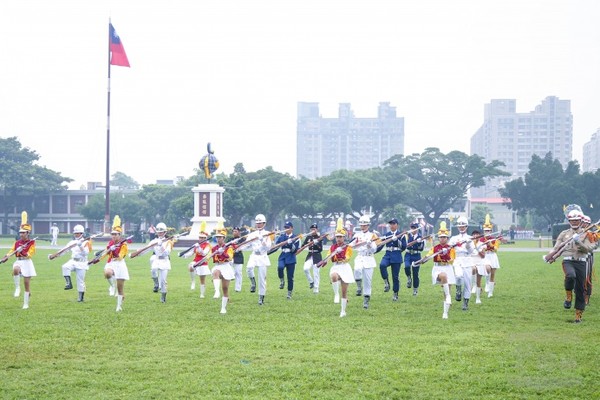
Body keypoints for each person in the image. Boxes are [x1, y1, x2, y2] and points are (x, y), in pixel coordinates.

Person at [544, 209, 595, 323]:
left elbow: (588, 249)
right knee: (570, 276)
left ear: (580, 221)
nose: (574, 222)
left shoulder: (587, 234)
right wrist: (550, 255)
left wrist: (578, 241)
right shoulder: (564, 233)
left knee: (581, 289)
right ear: (569, 221)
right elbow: (557, 246)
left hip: (581, 261)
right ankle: (568, 296)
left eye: (576, 220)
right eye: (572, 220)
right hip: (568, 261)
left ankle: (578, 314)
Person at [1, 212, 36, 309]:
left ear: (28, 233)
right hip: (18, 261)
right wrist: (7, 256)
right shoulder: (17, 242)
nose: (21, 234)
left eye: (23, 232)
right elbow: (12, 250)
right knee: (15, 270)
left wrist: (24, 252)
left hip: (27, 262)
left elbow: (31, 253)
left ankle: (26, 303)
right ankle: (17, 288)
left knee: (26, 284)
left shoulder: (31, 243)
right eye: (20, 232)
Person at [422, 222, 456, 319]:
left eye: (444, 237)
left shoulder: (451, 248)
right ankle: (449, 296)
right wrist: (423, 260)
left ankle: (445, 313)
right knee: (443, 276)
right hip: (438, 268)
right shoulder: (435, 248)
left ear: (447, 238)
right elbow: (429, 255)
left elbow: (452, 260)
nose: (442, 239)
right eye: (441, 237)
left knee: (447, 289)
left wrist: (447, 255)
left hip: (447, 267)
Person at [102, 216, 129, 312]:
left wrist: (116, 251)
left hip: (120, 263)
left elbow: (121, 256)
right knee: (107, 273)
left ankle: (118, 306)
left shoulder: (124, 244)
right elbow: (105, 252)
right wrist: (106, 251)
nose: (114, 236)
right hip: (111, 262)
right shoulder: (110, 243)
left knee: (120, 288)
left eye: (116, 234)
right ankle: (112, 286)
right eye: (112, 234)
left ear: (119, 235)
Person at [245, 214, 273, 305]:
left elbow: (268, 247)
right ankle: (253, 283)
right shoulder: (252, 234)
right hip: (254, 255)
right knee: (249, 268)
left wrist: (262, 240)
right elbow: (246, 244)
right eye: (257, 223)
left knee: (262, 279)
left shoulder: (268, 234)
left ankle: (261, 298)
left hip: (262, 257)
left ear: (264, 223)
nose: (258, 225)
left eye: (260, 223)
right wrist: (237, 248)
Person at [327, 226, 355, 317]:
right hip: (336, 266)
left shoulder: (348, 247)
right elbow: (329, 257)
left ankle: (343, 311)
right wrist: (334, 253)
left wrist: (342, 255)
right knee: (334, 276)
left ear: (344, 237)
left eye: (340, 237)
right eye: (337, 237)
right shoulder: (332, 247)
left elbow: (347, 257)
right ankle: (336, 294)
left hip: (344, 267)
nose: (338, 239)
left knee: (344, 292)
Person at [352, 215, 379, 309]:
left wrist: (369, 245)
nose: (363, 227)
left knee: (368, 281)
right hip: (360, 256)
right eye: (362, 225)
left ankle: (366, 301)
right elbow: (351, 245)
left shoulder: (373, 236)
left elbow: (374, 249)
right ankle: (359, 287)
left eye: (365, 225)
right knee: (357, 269)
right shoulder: (357, 235)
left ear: (368, 225)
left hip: (369, 258)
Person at [448, 216, 475, 311]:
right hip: (457, 260)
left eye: (463, 226)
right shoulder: (453, 238)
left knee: (468, 283)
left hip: (467, 260)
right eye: (460, 226)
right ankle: (458, 290)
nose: (461, 227)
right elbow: (449, 248)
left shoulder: (470, 238)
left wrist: (468, 244)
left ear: (466, 226)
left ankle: (465, 303)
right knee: (458, 276)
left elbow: (472, 252)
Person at [60, 224, 91, 302]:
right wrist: (55, 255)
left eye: (78, 233)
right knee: (65, 267)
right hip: (73, 261)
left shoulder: (86, 242)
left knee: (80, 281)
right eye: (75, 233)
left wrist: (80, 245)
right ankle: (68, 283)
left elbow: (85, 253)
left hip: (82, 262)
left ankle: (81, 298)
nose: (76, 234)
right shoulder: (72, 242)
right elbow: (64, 250)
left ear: (82, 234)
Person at [378, 218, 407, 301]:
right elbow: (381, 245)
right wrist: (373, 250)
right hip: (388, 254)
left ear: (397, 225)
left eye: (393, 224)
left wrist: (397, 240)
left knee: (395, 276)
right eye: (390, 224)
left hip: (396, 256)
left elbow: (404, 247)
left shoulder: (401, 234)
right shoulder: (386, 234)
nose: (392, 225)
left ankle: (395, 294)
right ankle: (386, 282)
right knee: (382, 265)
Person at [211, 228, 236, 314]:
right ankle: (216, 291)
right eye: (217, 237)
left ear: (224, 238)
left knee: (225, 288)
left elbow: (230, 258)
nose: (218, 239)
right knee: (215, 272)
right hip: (218, 266)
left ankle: (223, 308)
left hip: (226, 266)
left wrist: (223, 253)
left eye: (220, 237)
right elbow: (213, 259)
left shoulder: (229, 247)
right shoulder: (214, 248)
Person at [150, 222, 175, 303]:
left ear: (165, 232)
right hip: (156, 259)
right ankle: (156, 284)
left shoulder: (169, 242)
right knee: (153, 270)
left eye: (161, 232)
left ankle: (163, 296)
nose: (160, 233)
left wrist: (161, 245)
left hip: (164, 260)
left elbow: (166, 253)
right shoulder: (154, 241)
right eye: (158, 232)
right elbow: (146, 249)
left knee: (163, 281)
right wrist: (137, 253)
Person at [274, 221, 300, 299]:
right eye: (285, 227)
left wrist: (290, 243)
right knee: (280, 267)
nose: (286, 229)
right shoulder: (282, 237)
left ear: (292, 228)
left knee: (290, 277)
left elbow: (294, 250)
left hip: (291, 257)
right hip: (283, 255)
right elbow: (276, 245)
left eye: (288, 227)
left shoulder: (296, 237)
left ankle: (289, 293)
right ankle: (282, 280)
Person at [184, 230, 212, 298]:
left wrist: (199, 247)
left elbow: (204, 253)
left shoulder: (208, 245)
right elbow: (192, 253)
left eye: (203, 238)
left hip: (203, 262)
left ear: (205, 238)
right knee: (190, 267)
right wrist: (185, 255)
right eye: (200, 237)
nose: (201, 239)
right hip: (195, 260)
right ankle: (193, 281)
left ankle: (202, 294)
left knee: (202, 280)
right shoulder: (197, 245)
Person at [481, 219, 501, 298]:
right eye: (485, 231)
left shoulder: (494, 239)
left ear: (491, 231)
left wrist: (490, 244)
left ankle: (490, 292)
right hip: (485, 256)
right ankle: (486, 283)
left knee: (492, 275)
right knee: (487, 269)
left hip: (492, 256)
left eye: (488, 231)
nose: (487, 232)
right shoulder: (481, 239)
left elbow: (496, 249)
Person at [404, 221, 425, 296]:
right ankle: (409, 278)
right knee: (406, 267)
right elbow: (404, 245)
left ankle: (415, 290)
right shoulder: (407, 236)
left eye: (414, 228)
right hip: (408, 254)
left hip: (416, 255)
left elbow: (421, 248)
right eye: (412, 227)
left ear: (417, 228)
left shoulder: (421, 237)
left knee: (415, 273)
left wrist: (419, 242)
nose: (413, 229)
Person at [301, 223, 323, 294]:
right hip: (310, 255)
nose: (313, 230)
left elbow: (320, 249)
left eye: (314, 229)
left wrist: (316, 243)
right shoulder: (308, 237)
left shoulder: (319, 237)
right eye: (312, 229)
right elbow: (303, 245)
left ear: (317, 229)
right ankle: (311, 282)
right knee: (305, 268)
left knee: (316, 273)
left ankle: (316, 289)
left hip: (317, 256)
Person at [470, 229, 488, 304]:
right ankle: (473, 285)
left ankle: (478, 298)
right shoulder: (469, 243)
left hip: (480, 261)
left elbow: (483, 256)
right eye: (474, 234)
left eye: (477, 234)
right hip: (471, 261)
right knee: (473, 269)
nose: (475, 236)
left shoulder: (483, 244)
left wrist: (477, 249)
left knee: (479, 281)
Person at [231, 227, 247, 293]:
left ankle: (238, 288)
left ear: (239, 232)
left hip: (239, 256)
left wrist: (237, 248)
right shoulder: (230, 239)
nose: (234, 232)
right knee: (232, 272)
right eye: (233, 231)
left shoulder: (242, 240)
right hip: (231, 257)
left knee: (238, 272)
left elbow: (244, 246)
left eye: (236, 231)